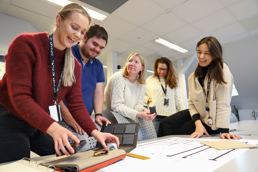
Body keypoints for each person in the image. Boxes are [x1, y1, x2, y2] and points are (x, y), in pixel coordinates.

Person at [0, 3, 118, 163]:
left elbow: (76, 104)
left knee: (67, 158)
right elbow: (20, 97)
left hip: (38, 121)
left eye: (82, 32)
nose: (77, 35)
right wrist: (55, 128)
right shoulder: (26, 44)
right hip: (10, 116)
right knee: (18, 162)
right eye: (74, 27)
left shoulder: (73, 65)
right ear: (58, 20)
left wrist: (96, 132)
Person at [158, 36, 242, 140]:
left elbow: (223, 102)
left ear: (215, 54)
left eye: (206, 53)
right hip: (198, 115)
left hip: (212, 122)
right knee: (164, 124)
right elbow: (191, 103)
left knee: (174, 130)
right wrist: (198, 123)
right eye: (199, 52)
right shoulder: (192, 77)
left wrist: (225, 131)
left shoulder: (222, 70)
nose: (201, 56)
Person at [59, 24, 110, 135]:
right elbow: (55, 91)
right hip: (61, 119)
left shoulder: (98, 65)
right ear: (84, 37)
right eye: (95, 44)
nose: (97, 49)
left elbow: (98, 91)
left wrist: (98, 114)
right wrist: (68, 118)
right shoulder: (67, 53)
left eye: (101, 48)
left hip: (83, 120)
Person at [103, 53, 156, 132]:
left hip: (126, 119)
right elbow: (116, 106)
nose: (132, 63)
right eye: (130, 61)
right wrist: (138, 114)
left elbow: (138, 105)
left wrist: (143, 111)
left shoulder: (142, 83)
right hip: (109, 121)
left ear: (142, 68)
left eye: (136, 62)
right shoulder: (119, 77)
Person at [145, 57, 185, 133]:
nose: (162, 71)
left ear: (168, 69)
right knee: (155, 139)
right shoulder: (149, 80)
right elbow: (138, 94)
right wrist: (146, 99)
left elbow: (178, 101)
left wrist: (185, 116)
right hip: (154, 116)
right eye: (160, 68)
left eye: (164, 69)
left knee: (169, 139)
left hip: (170, 117)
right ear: (156, 68)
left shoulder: (173, 81)